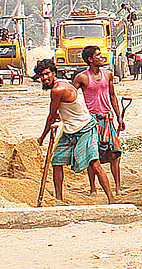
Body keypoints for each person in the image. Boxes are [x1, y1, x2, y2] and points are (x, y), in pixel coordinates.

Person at [36, 58, 113, 204]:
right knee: (56, 162)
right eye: (41, 75)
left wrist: (41, 138)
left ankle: (111, 199)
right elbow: (66, 108)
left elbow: (51, 116)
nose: (44, 78)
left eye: (47, 74)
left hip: (85, 128)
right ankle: (58, 199)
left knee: (95, 164)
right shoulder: (61, 85)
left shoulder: (57, 90)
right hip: (70, 129)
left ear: (54, 73)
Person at [74, 45, 125, 195]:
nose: (101, 57)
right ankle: (93, 188)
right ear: (90, 59)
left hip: (108, 119)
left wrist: (119, 117)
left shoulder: (108, 75)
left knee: (114, 154)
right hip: (91, 121)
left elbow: (113, 96)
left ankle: (118, 188)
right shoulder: (82, 78)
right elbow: (72, 95)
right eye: (98, 55)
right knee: (92, 155)